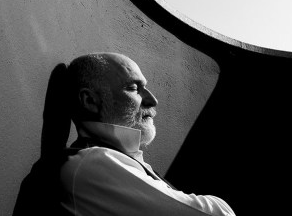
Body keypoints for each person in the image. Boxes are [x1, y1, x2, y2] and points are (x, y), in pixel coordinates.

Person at [60, 52, 236, 216]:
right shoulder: (94, 161)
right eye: (133, 88)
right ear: (90, 101)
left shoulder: (108, 158)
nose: (153, 100)